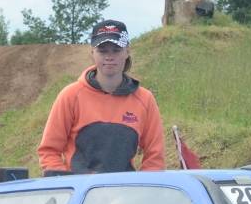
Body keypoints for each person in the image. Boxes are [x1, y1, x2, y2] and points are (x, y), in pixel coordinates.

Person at [39, 19, 165, 176]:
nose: (109, 57)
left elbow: (155, 157)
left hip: (124, 189)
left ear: (127, 52)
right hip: (80, 188)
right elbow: (49, 151)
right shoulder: (70, 96)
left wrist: (141, 186)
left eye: (116, 50)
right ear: (92, 52)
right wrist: (67, 182)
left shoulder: (145, 99)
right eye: (102, 51)